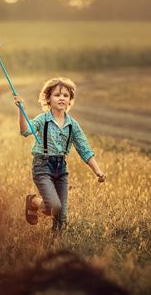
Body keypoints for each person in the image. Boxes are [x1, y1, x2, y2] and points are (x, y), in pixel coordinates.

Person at [14, 77, 106, 232]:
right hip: (42, 166)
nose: (61, 98)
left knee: (61, 217)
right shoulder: (42, 120)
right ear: (48, 99)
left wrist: (97, 171)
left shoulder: (73, 125)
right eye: (57, 95)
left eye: (65, 95)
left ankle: (56, 245)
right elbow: (25, 131)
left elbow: (85, 149)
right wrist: (20, 109)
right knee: (53, 206)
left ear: (70, 100)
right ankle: (34, 201)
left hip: (61, 169)